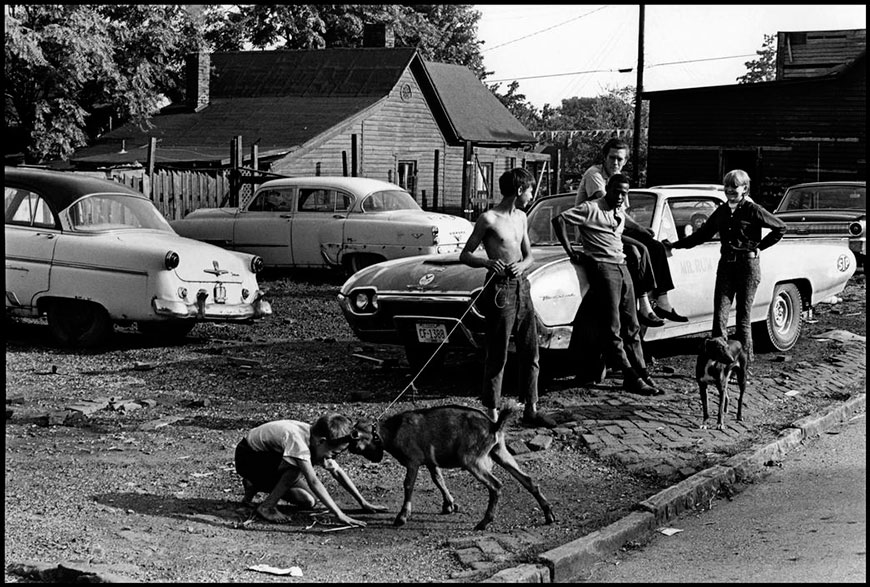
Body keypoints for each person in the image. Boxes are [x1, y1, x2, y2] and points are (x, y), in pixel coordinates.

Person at [459, 167, 557, 428]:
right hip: (499, 289)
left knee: (530, 349)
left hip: (521, 285)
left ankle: (531, 409)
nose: (532, 194)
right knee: (498, 353)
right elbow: (465, 255)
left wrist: (521, 266)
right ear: (518, 190)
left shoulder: (522, 217)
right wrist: (486, 263)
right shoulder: (488, 219)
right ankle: (491, 414)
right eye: (530, 190)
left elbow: (529, 256)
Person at [553, 173, 663, 396]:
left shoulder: (618, 210)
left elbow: (625, 225)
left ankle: (641, 372)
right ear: (608, 190)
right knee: (612, 327)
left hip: (621, 267)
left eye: (625, 192)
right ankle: (630, 376)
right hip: (603, 269)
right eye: (617, 192)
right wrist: (571, 251)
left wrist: (642, 231)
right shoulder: (591, 208)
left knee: (632, 324)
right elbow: (559, 220)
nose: (621, 196)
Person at [663, 169, 786, 363]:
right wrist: (675, 245)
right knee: (720, 313)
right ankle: (719, 360)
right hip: (726, 266)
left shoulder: (752, 209)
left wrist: (759, 247)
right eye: (727, 186)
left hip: (747, 266)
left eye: (734, 186)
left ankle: (744, 362)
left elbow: (780, 227)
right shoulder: (721, 211)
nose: (729, 189)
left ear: (744, 188)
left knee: (743, 317)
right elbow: (702, 235)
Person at [576, 138, 687, 326]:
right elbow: (610, 207)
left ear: (626, 161)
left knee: (656, 247)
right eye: (612, 158)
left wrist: (641, 229)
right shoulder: (594, 174)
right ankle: (644, 305)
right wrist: (638, 228)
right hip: (597, 234)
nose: (615, 163)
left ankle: (662, 300)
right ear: (604, 157)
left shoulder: (618, 179)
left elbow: (622, 214)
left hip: (614, 230)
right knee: (639, 250)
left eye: (620, 159)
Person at [234, 413, 387, 525]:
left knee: (308, 501)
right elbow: (313, 481)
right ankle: (267, 507)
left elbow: (337, 472)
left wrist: (363, 502)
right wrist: (340, 515)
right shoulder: (299, 442)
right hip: (248, 458)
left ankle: (254, 484)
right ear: (322, 442)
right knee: (295, 468)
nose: (331, 458)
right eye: (333, 453)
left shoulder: (315, 438)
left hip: (269, 460)